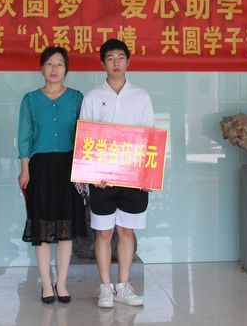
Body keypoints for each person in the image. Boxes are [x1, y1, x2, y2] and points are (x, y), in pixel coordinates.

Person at [79, 38, 155, 309]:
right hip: (102, 178)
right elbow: (85, 136)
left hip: (133, 177)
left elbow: (150, 137)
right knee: (103, 232)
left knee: (126, 230)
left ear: (128, 61)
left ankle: (122, 285)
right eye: (110, 58)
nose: (116, 63)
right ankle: (105, 288)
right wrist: (90, 174)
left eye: (121, 58)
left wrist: (148, 175)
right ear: (103, 63)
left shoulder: (141, 96)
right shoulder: (93, 97)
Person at [17, 46, 87, 304]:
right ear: (41, 68)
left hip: (69, 166)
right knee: (42, 227)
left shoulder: (76, 98)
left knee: (66, 227)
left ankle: (62, 283)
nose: (54, 69)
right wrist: (24, 168)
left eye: (59, 64)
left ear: (66, 69)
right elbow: (24, 136)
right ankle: (46, 284)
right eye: (49, 63)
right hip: (41, 167)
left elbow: (84, 136)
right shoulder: (30, 100)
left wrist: (83, 171)